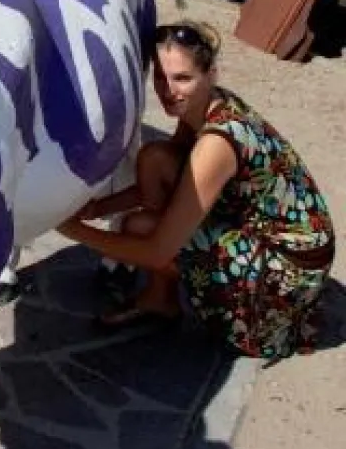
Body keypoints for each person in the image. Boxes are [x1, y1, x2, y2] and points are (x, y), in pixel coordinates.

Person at [58, 21, 334, 360]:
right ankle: (160, 297)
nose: (168, 90)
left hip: (289, 270)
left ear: (211, 74)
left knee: (141, 229)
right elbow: (163, 180)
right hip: (273, 229)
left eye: (183, 78)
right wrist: (96, 208)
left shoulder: (216, 142)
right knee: (155, 159)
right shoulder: (206, 106)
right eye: (161, 77)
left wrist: (74, 230)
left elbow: (156, 252)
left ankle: (181, 303)